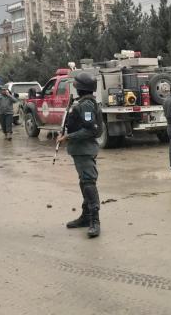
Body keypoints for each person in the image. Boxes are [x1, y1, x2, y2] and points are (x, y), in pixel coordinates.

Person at [56, 72, 104, 238]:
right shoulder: (83, 103)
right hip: (80, 150)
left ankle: (94, 221)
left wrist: (68, 137)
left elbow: (90, 129)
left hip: (85, 150)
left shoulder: (86, 105)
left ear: (81, 88)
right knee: (84, 182)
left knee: (89, 183)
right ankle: (86, 216)